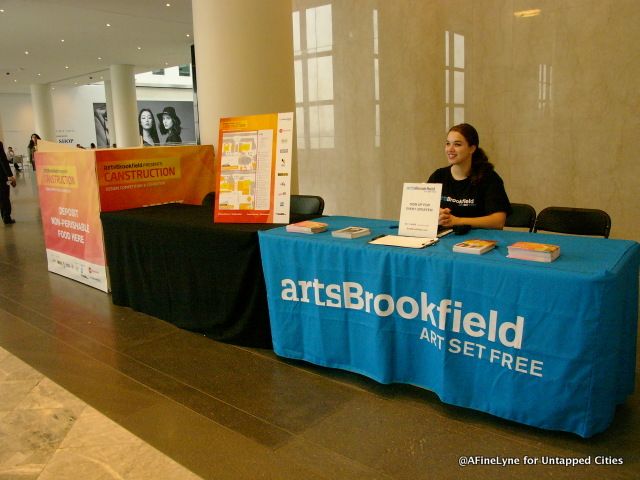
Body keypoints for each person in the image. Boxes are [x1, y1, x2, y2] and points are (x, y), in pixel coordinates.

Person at [428, 123, 511, 230]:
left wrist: (457, 221)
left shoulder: (489, 178)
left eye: (457, 144)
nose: (450, 149)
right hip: (443, 238)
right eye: (448, 143)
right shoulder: (438, 176)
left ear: (472, 148)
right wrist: (437, 213)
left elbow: (498, 221)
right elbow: (423, 210)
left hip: (478, 241)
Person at [0, 141, 17, 225]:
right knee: (4, 196)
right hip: (2, 177)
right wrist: (10, 176)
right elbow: (3, 160)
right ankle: (6, 217)